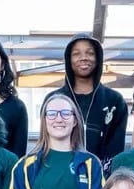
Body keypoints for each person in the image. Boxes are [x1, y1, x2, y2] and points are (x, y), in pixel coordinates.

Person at [9, 92, 103, 189]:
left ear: (75, 121)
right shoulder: (25, 166)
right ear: (44, 121)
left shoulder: (90, 164)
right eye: (52, 114)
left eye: (66, 113)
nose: (59, 119)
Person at [50, 34, 128, 171]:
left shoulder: (114, 101)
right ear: (69, 59)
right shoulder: (55, 100)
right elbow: (47, 144)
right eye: (76, 54)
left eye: (90, 53)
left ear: (98, 58)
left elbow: (116, 151)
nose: (83, 57)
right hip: (61, 176)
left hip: (101, 180)